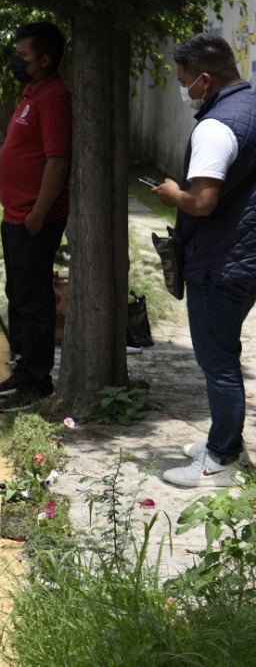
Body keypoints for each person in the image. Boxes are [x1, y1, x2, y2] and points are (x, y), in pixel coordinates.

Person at [152, 34, 256, 488]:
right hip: (245, 253)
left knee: (217, 360)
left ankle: (222, 458)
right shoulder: (250, 104)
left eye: (184, 81)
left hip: (221, 261)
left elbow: (203, 201)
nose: (183, 89)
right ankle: (224, 437)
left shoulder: (216, 127)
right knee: (224, 354)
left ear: (206, 79)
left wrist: (175, 193)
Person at [0, 22, 72, 413]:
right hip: (17, 214)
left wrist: (39, 213)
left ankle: (37, 381)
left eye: (23, 57)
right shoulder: (32, 92)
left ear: (44, 60)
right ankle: (24, 371)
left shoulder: (53, 97)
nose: (16, 62)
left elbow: (57, 160)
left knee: (35, 299)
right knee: (18, 294)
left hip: (34, 218)